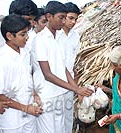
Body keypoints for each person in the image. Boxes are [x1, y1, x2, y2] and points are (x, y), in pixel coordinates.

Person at [33, 1, 93, 133]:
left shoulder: (58, 39)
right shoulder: (40, 40)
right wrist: (76, 89)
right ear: (49, 16)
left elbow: (64, 68)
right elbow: (47, 75)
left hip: (60, 92)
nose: (64, 21)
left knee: (62, 128)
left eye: (66, 17)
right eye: (62, 17)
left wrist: (76, 88)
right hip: (47, 94)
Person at [0, 14, 43, 133]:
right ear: (9, 36)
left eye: (27, 33)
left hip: (28, 115)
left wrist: (35, 94)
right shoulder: (0, 60)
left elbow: (27, 77)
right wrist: (26, 108)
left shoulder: (25, 53)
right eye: (23, 34)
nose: (27, 37)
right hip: (11, 121)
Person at [59, 2, 82, 132]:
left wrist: (76, 85)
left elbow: (74, 63)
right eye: (71, 18)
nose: (73, 22)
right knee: (56, 118)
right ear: (63, 17)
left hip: (70, 83)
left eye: (76, 19)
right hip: (55, 82)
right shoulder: (55, 36)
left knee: (68, 117)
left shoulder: (76, 36)